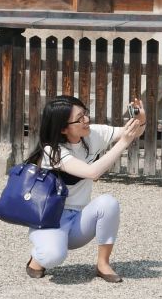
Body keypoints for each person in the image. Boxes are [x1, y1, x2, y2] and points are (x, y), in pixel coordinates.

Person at [24, 95, 146, 283]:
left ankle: (102, 264)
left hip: (78, 219)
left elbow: (132, 131)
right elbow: (91, 172)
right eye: (79, 118)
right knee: (53, 257)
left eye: (85, 114)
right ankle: (38, 257)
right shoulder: (52, 151)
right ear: (64, 128)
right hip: (50, 219)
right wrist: (122, 144)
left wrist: (141, 119)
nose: (86, 120)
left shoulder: (92, 134)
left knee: (108, 203)